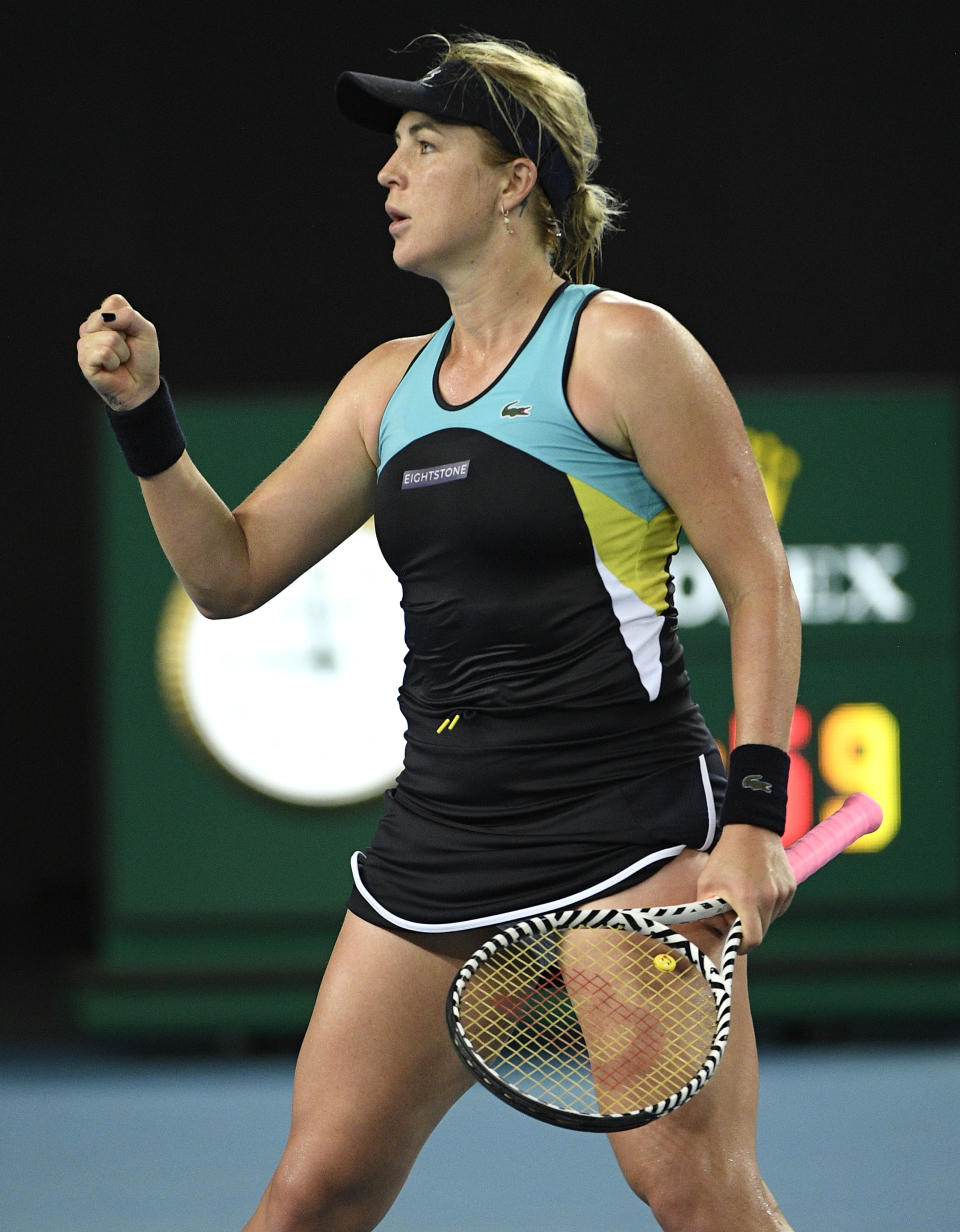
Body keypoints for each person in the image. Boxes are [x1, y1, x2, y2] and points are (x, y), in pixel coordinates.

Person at [77, 33, 801, 1232]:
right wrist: (142, 412)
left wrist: (755, 818)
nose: (388, 173)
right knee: (314, 1189)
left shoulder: (624, 346)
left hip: (627, 835)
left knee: (692, 1187)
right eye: (394, 151)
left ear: (517, 177)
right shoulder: (385, 385)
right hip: (442, 842)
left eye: (426, 146)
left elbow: (758, 577)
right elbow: (231, 571)